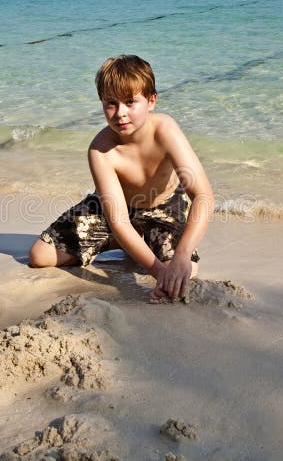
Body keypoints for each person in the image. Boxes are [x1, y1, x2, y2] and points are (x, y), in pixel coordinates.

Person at [28, 55, 214, 300]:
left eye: (130, 102)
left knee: (184, 272)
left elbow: (203, 196)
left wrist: (180, 258)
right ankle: (123, 242)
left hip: (166, 206)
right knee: (39, 256)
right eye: (111, 103)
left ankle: (142, 242)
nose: (120, 113)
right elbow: (118, 221)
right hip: (115, 212)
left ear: (151, 101)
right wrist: (157, 272)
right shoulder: (100, 150)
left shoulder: (166, 131)